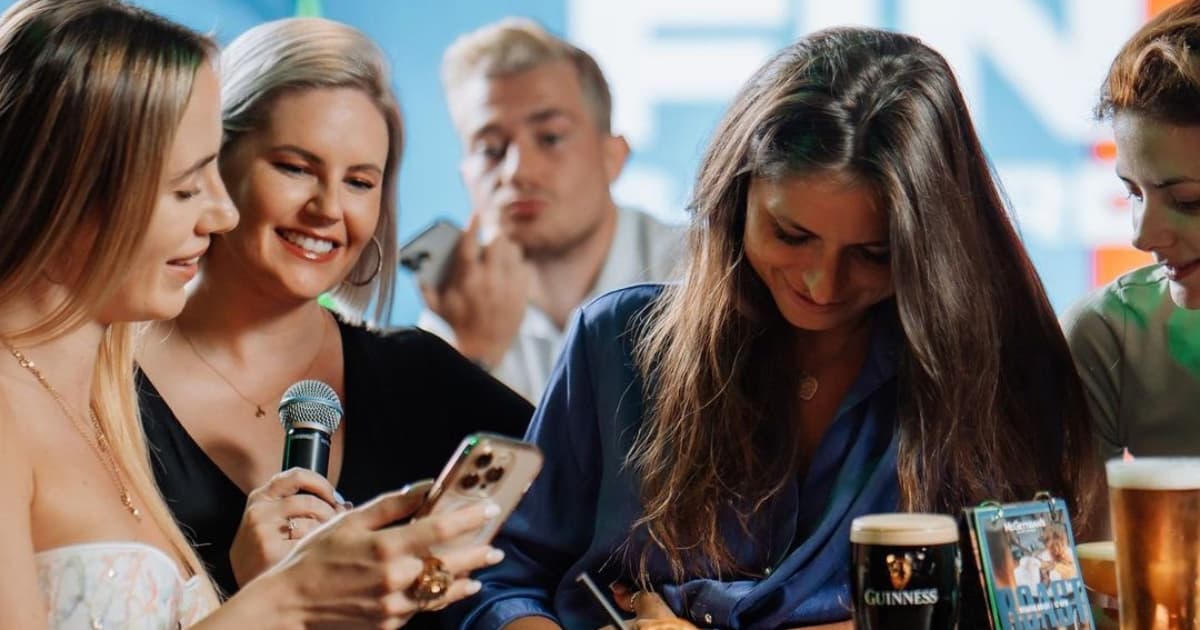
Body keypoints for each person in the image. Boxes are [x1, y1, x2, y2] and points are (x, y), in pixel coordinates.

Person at [447, 27, 1100, 630]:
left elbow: (1038, 613)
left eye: (874, 255)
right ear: (735, 200)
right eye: (791, 235)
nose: (821, 284)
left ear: (937, 247)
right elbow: (503, 578)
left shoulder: (995, 374)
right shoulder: (617, 340)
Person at [0, 1, 503, 628]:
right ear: (72, 185)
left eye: (360, 181)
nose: (219, 214)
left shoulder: (90, 388)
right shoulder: (91, 386)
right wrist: (288, 598)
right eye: (185, 187)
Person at [134, 15, 534, 609]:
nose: (327, 208)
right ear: (213, 163)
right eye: (296, 168)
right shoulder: (100, 380)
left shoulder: (421, 377)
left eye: (359, 182)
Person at [419, 18, 683, 403]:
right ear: (465, 175)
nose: (518, 171)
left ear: (614, 157)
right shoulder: (456, 308)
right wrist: (472, 356)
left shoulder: (698, 275)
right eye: (491, 148)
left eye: (550, 138)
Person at [1063, 0, 1200, 463]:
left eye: (1188, 201)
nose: (1142, 237)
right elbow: (1073, 536)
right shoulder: (1111, 335)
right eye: (1133, 193)